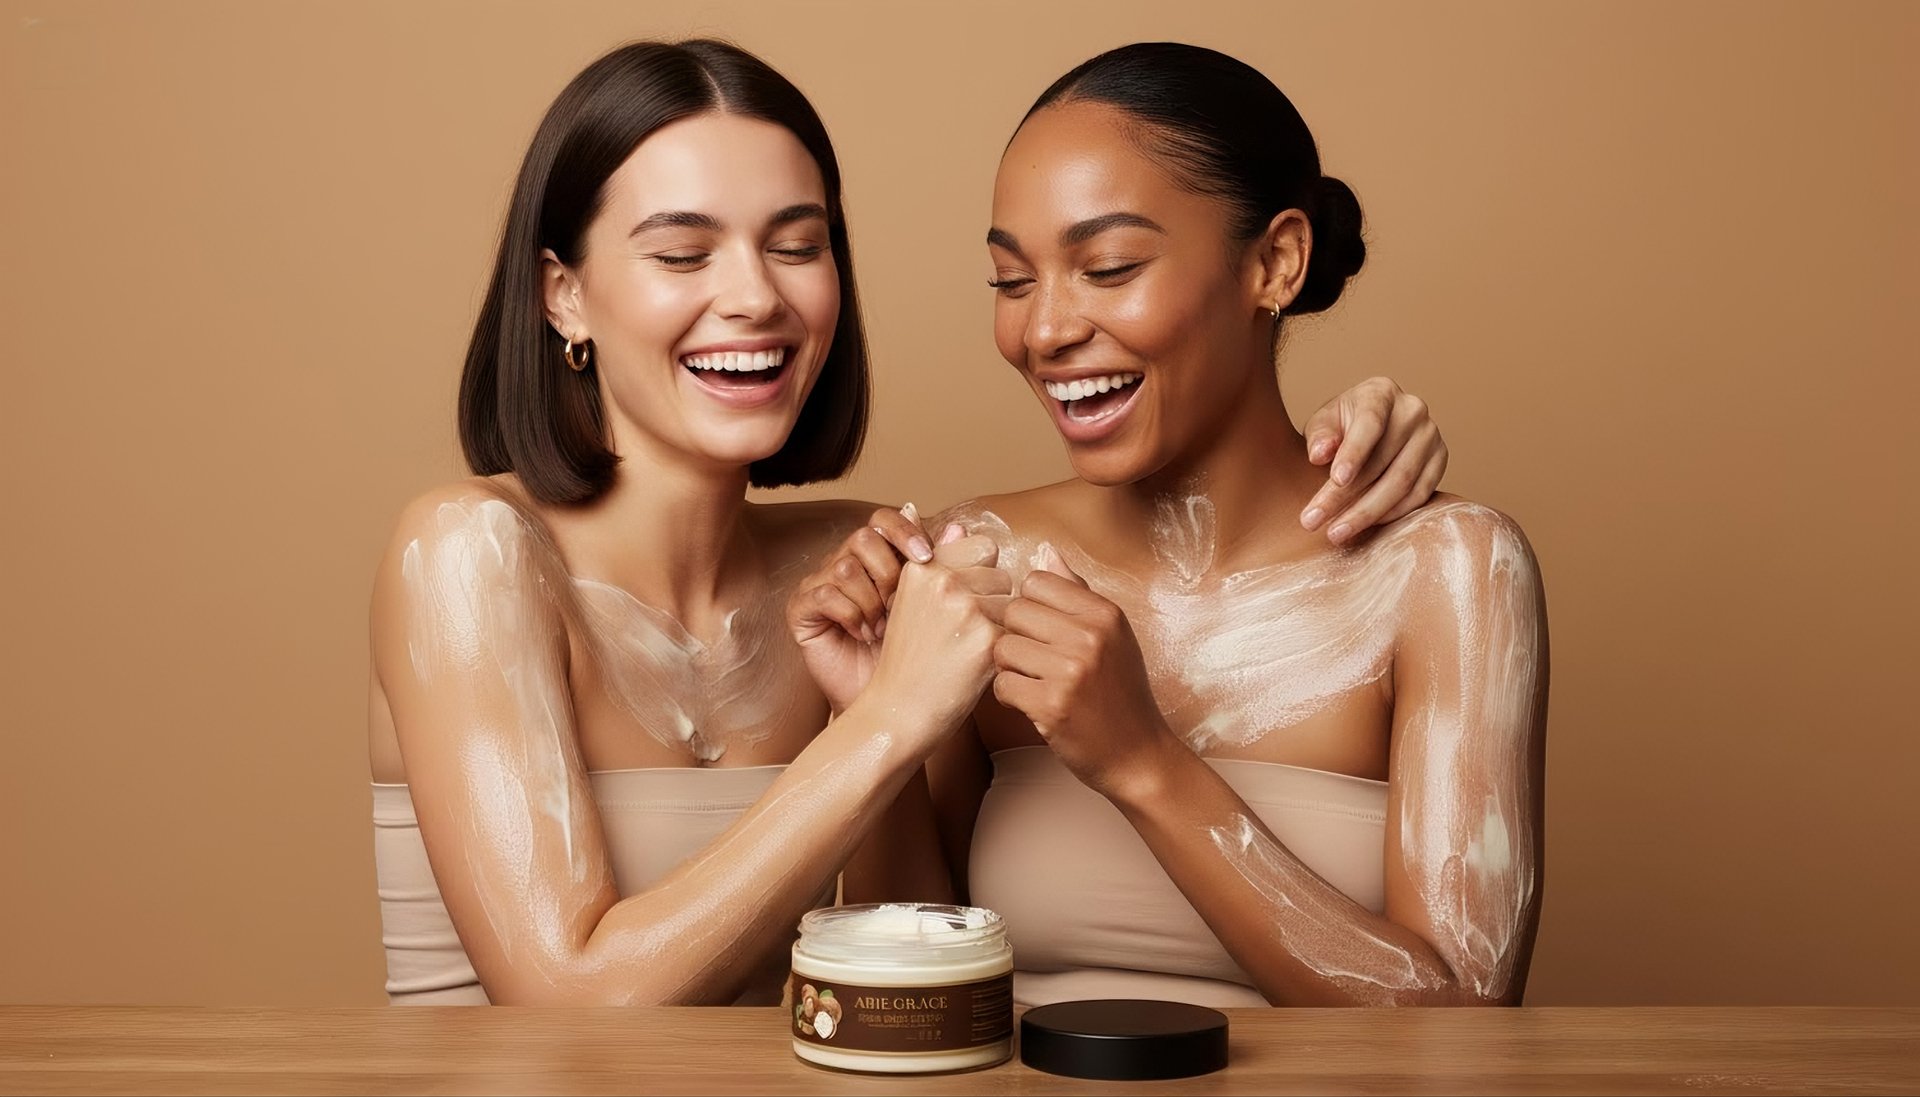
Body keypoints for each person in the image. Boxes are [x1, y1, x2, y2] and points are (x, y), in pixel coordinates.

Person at [368, 39, 1453, 1005]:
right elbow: (567, 1005)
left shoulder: (864, 564)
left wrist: (1350, 435)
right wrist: (887, 721)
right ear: (563, 294)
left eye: (797, 244)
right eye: (684, 253)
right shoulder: (469, 552)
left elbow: (918, 985)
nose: (754, 297)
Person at [793, 43, 1547, 1008]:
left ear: (1275, 261)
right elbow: (922, 1001)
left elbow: (1464, 1025)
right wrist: (880, 726)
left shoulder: (1447, 572)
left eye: (1108, 267)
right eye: (1011, 282)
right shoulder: (982, 560)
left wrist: (1143, 762)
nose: (1045, 331)